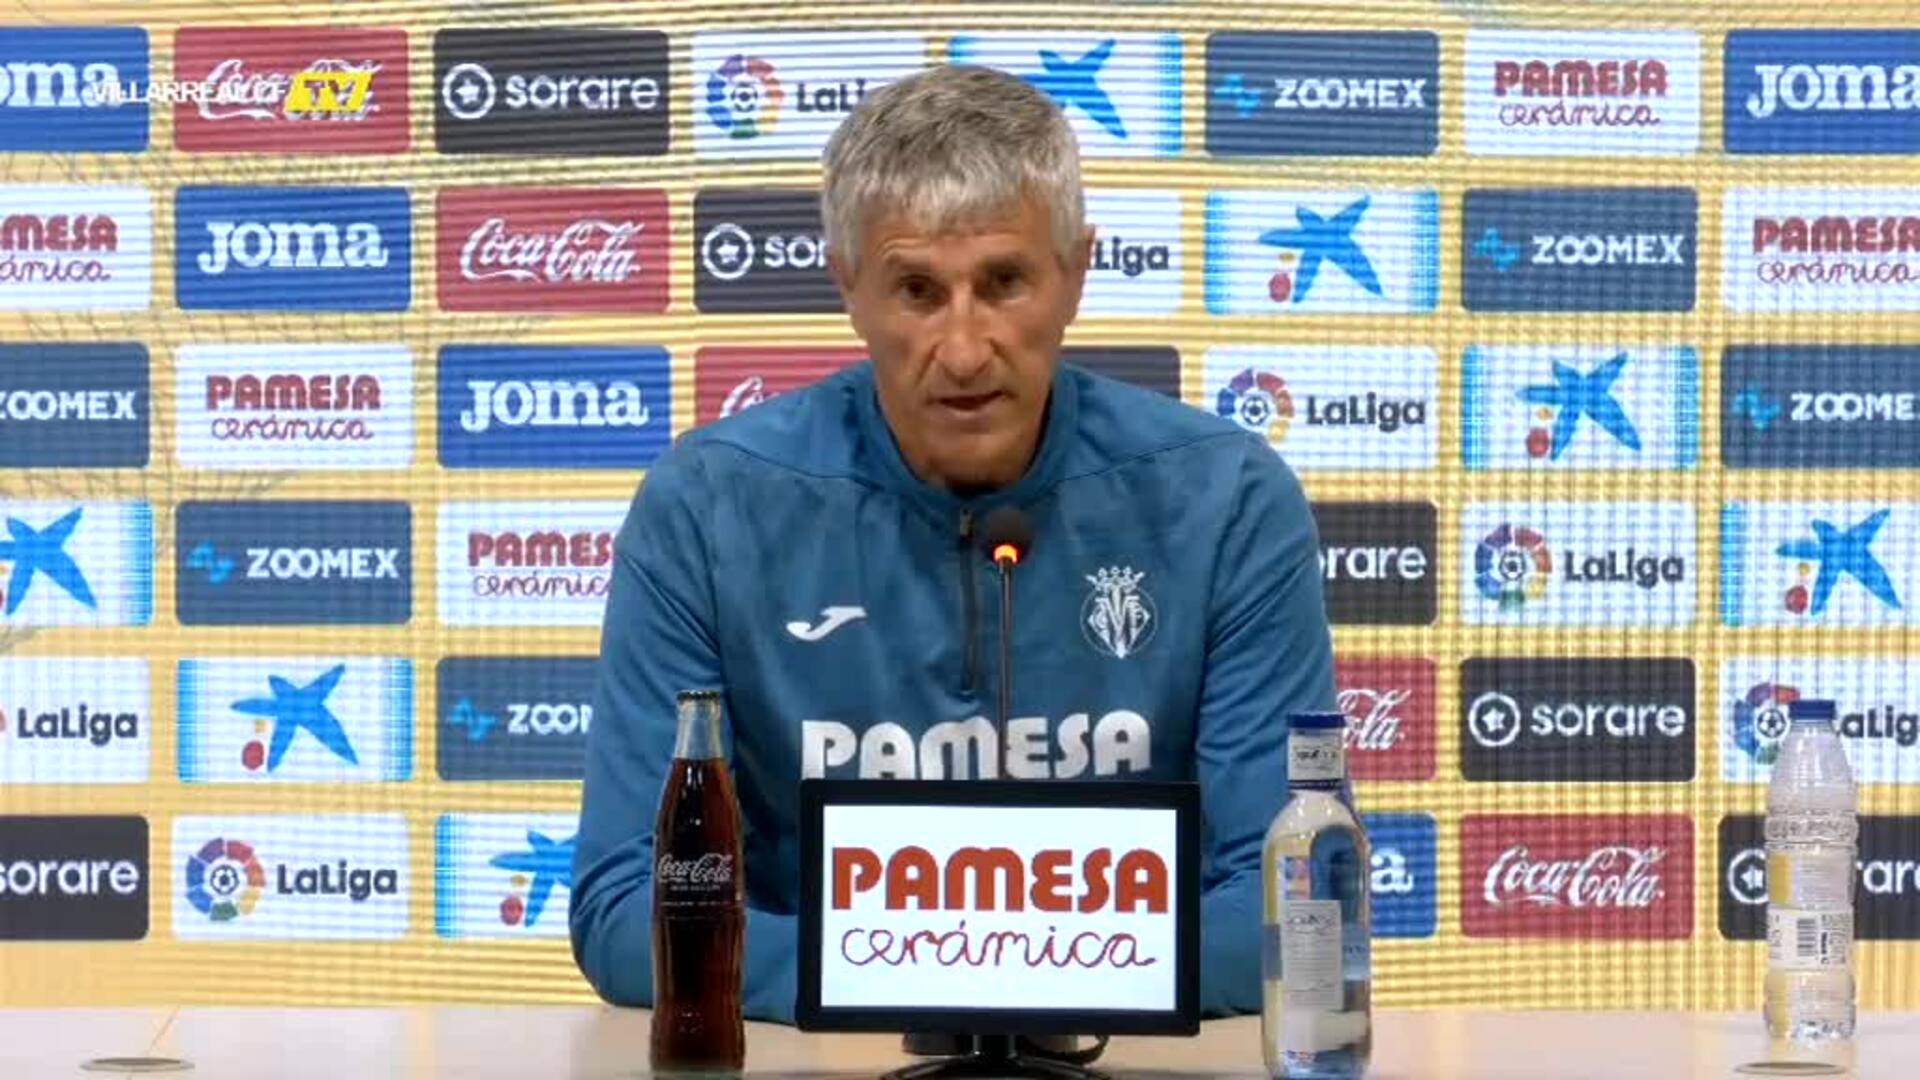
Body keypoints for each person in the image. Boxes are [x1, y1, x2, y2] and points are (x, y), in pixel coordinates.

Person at [569, 63, 1337, 1025]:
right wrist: (977, 976)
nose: (965, 350)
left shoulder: (1227, 500)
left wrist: (937, 970)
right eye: (918, 291)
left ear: (1077, 273)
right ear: (847, 286)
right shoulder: (707, 507)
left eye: (1005, 283)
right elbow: (625, 907)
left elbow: (1296, 901)